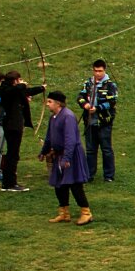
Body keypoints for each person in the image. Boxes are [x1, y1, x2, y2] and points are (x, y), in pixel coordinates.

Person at [38, 91, 93, 226]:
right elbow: (49, 137)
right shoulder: (53, 117)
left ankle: (86, 213)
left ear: (58, 103)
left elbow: (70, 140)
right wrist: (43, 152)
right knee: (59, 185)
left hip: (71, 154)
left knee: (74, 184)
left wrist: (67, 158)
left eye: (50, 101)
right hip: (59, 154)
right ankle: (64, 213)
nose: (47, 104)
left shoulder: (67, 116)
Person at [0, 70, 46, 192]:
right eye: (19, 79)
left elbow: (26, 91)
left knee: (13, 154)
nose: (21, 81)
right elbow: (19, 89)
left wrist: (41, 88)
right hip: (12, 126)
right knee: (13, 155)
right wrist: (22, 84)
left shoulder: (15, 90)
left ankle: (7, 183)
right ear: (15, 81)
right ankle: (10, 183)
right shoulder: (6, 90)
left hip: (14, 125)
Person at [77, 58, 119, 182]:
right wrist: (85, 105)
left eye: (100, 71)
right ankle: (89, 174)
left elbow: (112, 102)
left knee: (106, 149)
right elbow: (80, 97)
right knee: (90, 149)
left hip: (104, 121)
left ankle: (109, 175)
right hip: (90, 121)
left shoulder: (110, 85)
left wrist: (97, 108)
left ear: (104, 70)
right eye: (95, 71)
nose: (97, 74)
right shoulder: (88, 83)